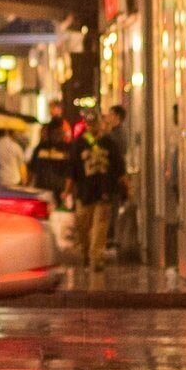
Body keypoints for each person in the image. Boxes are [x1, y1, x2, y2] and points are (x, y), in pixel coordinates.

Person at [78, 104, 128, 268]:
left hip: (104, 191)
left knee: (100, 226)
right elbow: (72, 168)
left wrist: (125, 185)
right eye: (89, 123)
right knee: (83, 226)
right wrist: (68, 190)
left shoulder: (109, 143)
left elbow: (119, 167)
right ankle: (86, 254)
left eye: (95, 123)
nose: (92, 126)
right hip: (84, 193)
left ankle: (96, 258)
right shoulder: (79, 143)